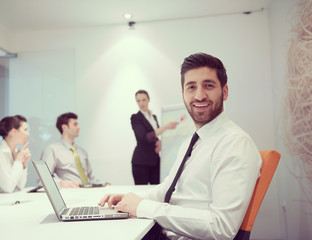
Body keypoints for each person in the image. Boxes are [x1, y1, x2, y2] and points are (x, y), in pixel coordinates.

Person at [99, 53, 262, 240]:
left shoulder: (234, 143)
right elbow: (166, 190)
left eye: (208, 85)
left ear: (224, 91)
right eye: (191, 87)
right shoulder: (190, 143)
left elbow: (221, 227)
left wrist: (143, 207)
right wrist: (130, 198)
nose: (199, 95)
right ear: (183, 94)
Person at [131, 90, 180, 185]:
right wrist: (165, 127)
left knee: (157, 188)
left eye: (144, 100)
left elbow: (154, 135)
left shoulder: (153, 117)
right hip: (141, 162)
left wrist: (159, 142)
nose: (141, 103)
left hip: (155, 160)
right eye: (138, 100)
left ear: (149, 100)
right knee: (141, 192)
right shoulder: (135, 118)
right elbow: (145, 138)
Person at [41, 112, 98, 188]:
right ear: (64, 127)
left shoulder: (82, 152)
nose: (78, 127)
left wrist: (103, 185)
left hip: (90, 190)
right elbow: (43, 179)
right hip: (70, 193)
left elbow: (91, 178)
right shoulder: (52, 149)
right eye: (75, 124)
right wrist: (60, 183)